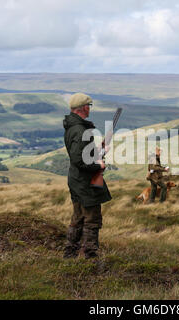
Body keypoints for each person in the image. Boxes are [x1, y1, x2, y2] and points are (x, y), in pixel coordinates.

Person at [63, 93, 111, 259]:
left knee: (78, 218)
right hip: (84, 182)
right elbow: (79, 159)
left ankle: (70, 253)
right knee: (91, 219)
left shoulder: (74, 127)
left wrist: (99, 150)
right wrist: (99, 164)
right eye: (89, 106)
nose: (90, 109)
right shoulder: (80, 130)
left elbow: (83, 154)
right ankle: (90, 257)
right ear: (84, 108)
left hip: (77, 180)